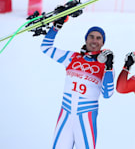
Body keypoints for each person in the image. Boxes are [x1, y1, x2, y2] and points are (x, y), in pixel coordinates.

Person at [40, 14, 114, 149]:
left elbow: (107, 94)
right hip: (66, 115)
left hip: (86, 116)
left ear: (103, 43)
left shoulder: (105, 66)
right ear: (86, 39)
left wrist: (109, 68)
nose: (94, 40)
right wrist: (55, 28)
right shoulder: (72, 57)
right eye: (91, 37)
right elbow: (46, 47)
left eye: (99, 38)